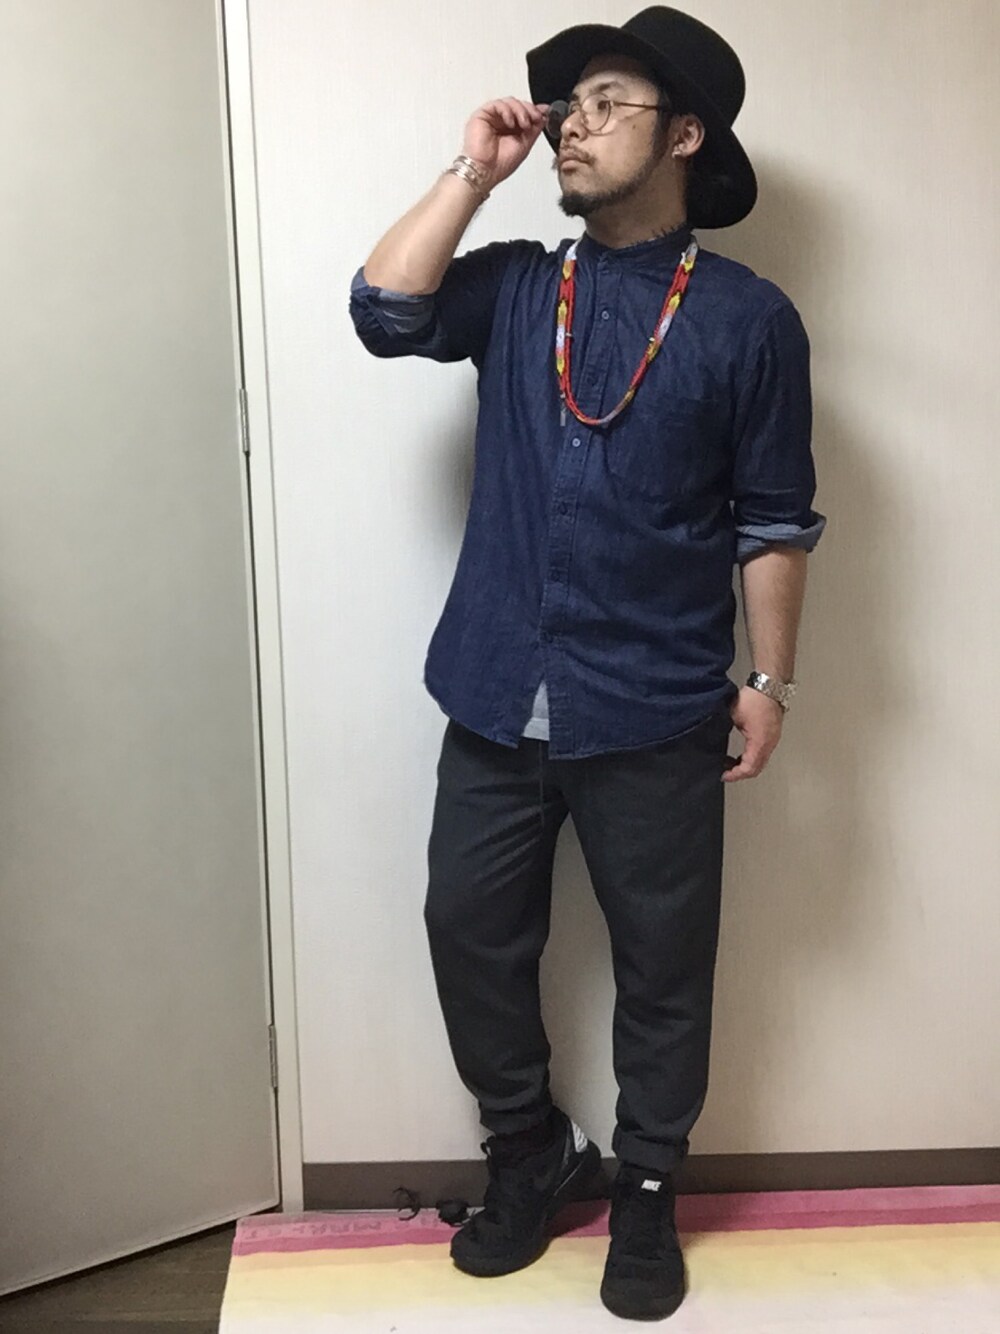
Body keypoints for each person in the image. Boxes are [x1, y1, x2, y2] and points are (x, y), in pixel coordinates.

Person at [349, 5, 826, 1322]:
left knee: (665, 964)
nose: (573, 124)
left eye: (609, 103)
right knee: (468, 929)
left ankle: (650, 1188)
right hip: (495, 688)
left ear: (686, 136)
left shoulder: (750, 320)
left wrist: (769, 682)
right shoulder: (515, 284)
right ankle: (530, 1150)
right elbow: (383, 310)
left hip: (658, 705)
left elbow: (775, 519)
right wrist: (475, 168)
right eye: (569, 104)